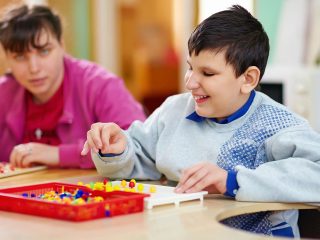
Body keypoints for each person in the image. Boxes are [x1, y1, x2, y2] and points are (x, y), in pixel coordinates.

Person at [81, 5, 320, 238]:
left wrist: (232, 181)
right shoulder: (174, 111)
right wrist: (117, 151)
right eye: (190, 68)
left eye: (207, 73)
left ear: (248, 78)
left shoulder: (276, 123)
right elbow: (137, 159)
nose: (190, 83)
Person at [0, 4, 145, 168]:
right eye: (20, 57)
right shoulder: (4, 92)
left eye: (44, 51)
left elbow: (139, 146)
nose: (34, 68)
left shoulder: (100, 84)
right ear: (7, 59)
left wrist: (57, 154)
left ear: (62, 46)